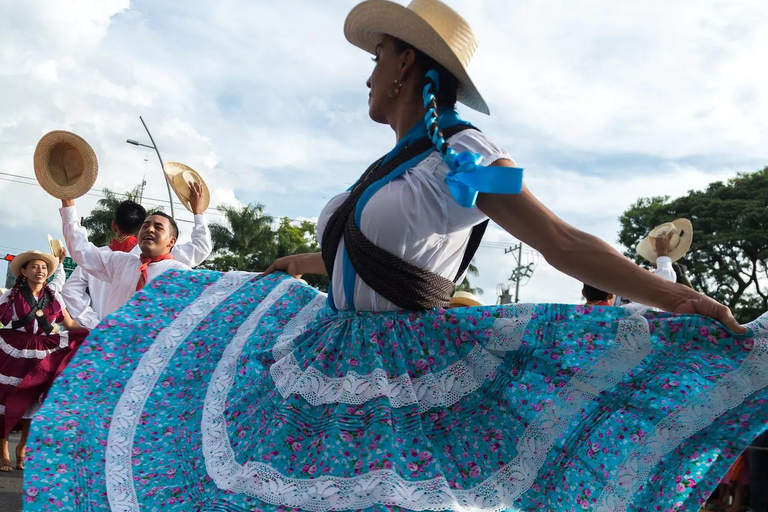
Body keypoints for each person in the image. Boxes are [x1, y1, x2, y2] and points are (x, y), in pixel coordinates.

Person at [23, 1, 767, 511]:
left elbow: (558, 241)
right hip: (323, 358)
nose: (368, 74)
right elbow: (356, 253)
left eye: (378, 57)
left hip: (401, 376)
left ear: (407, 63)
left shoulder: (462, 153)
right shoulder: (385, 170)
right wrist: (288, 268)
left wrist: (671, 296)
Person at [61, 191, 212, 330]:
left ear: (172, 242)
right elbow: (81, 250)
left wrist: (199, 213)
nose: (150, 229)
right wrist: (68, 203)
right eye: (145, 226)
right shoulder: (121, 262)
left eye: (158, 227)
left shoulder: (180, 273)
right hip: (112, 344)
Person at [0, 250, 86, 473]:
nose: (40, 270)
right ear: (24, 271)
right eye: (35, 267)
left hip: (42, 354)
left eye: (44, 267)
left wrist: (97, 331)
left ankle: (22, 450)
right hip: (14, 352)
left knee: (35, 403)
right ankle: (3, 453)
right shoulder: (10, 295)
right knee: (6, 400)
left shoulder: (54, 297)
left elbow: (70, 324)